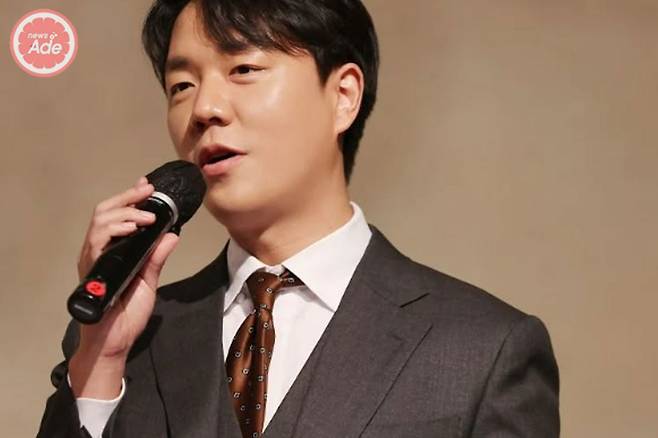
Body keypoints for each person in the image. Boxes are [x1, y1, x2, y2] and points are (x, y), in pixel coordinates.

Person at [38, 0, 560, 437]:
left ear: (343, 96)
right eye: (181, 86)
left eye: (243, 69)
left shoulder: (483, 348)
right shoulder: (127, 338)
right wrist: (99, 362)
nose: (205, 109)